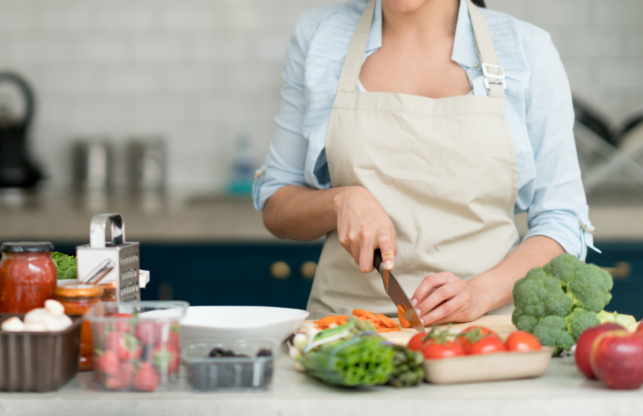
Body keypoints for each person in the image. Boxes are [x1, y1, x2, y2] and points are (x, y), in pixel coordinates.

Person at [254, 0, 596, 325]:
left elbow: (561, 220)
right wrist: (339, 201)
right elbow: (277, 204)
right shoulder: (320, 36)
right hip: (347, 333)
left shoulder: (526, 49)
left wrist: (479, 293)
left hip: (482, 333)